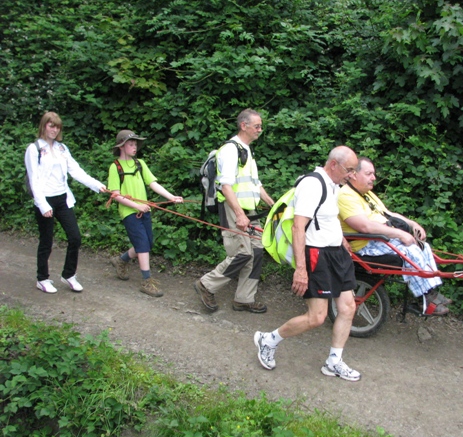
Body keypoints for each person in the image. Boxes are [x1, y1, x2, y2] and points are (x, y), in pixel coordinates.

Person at [254, 146, 362, 381]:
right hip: (317, 256)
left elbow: (326, 217)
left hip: (336, 254)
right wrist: (301, 270)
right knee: (316, 317)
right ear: (334, 164)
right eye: (349, 170)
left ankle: (334, 362)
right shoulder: (313, 184)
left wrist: (339, 238)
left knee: (347, 308)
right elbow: (298, 226)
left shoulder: (334, 184)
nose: (351, 175)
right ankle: (268, 339)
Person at [337, 156, 451, 315]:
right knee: (410, 250)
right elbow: (364, 226)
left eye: (373, 174)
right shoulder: (346, 196)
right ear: (354, 175)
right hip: (364, 244)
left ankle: (431, 293)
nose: (374, 178)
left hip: (380, 239)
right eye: (369, 174)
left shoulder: (366, 194)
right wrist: (400, 234)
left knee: (423, 246)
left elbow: (389, 214)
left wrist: (412, 224)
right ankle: (424, 301)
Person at [193, 109, 274, 314]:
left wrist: (273, 205)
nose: (260, 129)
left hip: (249, 210)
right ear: (243, 125)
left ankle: (244, 299)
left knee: (256, 252)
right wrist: (239, 214)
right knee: (242, 253)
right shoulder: (230, 150)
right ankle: (206, 284)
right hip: (233, 208)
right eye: (257, 126)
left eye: (260, 126)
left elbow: (256, 184)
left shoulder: (247, 149)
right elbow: (226, 186)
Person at [25, 111, 106, 294]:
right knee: (46, 241)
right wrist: (43, 205)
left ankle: (69, 274)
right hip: (44, 200)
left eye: (57, 126)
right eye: (51, 125)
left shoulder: (62, 149)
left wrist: (98, 185)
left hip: (63, 199)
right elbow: (33, 179)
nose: (54, 130)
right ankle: (42, 278)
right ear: (44, 126)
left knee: (75, 237)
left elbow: (76, 171)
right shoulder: (34, 148)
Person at [108, 130, 183, 297]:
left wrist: (171, 197)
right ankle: (146, 281)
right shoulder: (115, 167)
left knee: (147, 244)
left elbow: (153, 183)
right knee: (142, 245)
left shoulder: (139, 163)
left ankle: (121, 260)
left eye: (136, 144)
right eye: (131, 144)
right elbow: (116, 195)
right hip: (129, 211)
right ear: (121, 146)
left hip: (144, 210)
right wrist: (136, 206)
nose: (135, 147)